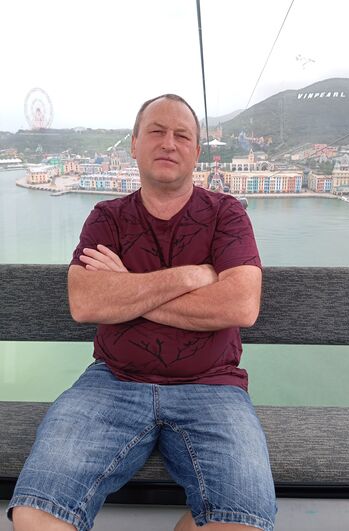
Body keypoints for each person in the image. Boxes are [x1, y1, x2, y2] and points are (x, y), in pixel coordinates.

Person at [7, 94, 276, 531]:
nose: (168, 143)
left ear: (196, 151)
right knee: (36, 514)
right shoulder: (107, 217)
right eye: (156, 131)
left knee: (241, 522)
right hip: (112, 381)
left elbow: (240, 305)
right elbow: (86, 302)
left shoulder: (226, 214)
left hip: (211, 387)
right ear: (134, 144)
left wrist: (127, 288)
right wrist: (189, 276)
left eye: (182, 135)